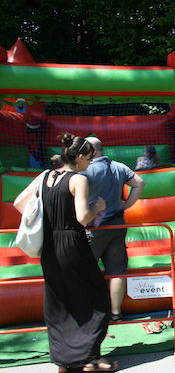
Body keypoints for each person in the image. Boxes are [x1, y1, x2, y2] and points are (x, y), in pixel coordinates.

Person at [14, 133, 118, 372]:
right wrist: (97, 206)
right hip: (73, 244)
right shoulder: (78, 179)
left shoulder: (44, 176)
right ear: (80, 156)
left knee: (59, 302)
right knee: (97, 298)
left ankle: (64, 361)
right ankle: (90, 357)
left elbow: (20, 202)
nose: (90, 164)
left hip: (49, 247)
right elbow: (83, 218)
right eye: (89, 159)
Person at [84, 137, 144, 322]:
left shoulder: (85, 170)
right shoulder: (118, 166)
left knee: (84, 270)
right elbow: (139, 182)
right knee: (117, 271)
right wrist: (126, 205)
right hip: (117, 224)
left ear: (90, 151)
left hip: (93, 227)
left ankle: (91, 314)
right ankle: (116, 313)